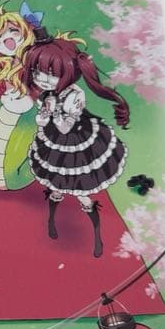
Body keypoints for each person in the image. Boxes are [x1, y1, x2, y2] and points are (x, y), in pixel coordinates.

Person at [20, 30, 130, 257]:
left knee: (82, 193)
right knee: (55, 189)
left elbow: (64, 127)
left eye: (50, 73)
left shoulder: (74, 95)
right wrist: (46, 111)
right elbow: (42, 122)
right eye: (37, 72)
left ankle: (97, 236)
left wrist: (53, 110)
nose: (41, 79)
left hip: (78, 142)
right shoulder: (47, 93)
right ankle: (51, 220)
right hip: (54, 142)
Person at [0, 2, 45, 191]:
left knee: (19, 151)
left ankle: (19, 177)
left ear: (26, 32)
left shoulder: (33, 61)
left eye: (14, 31)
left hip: (27, 113)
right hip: (3, 107)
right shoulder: (4, 62)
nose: (8, 39)